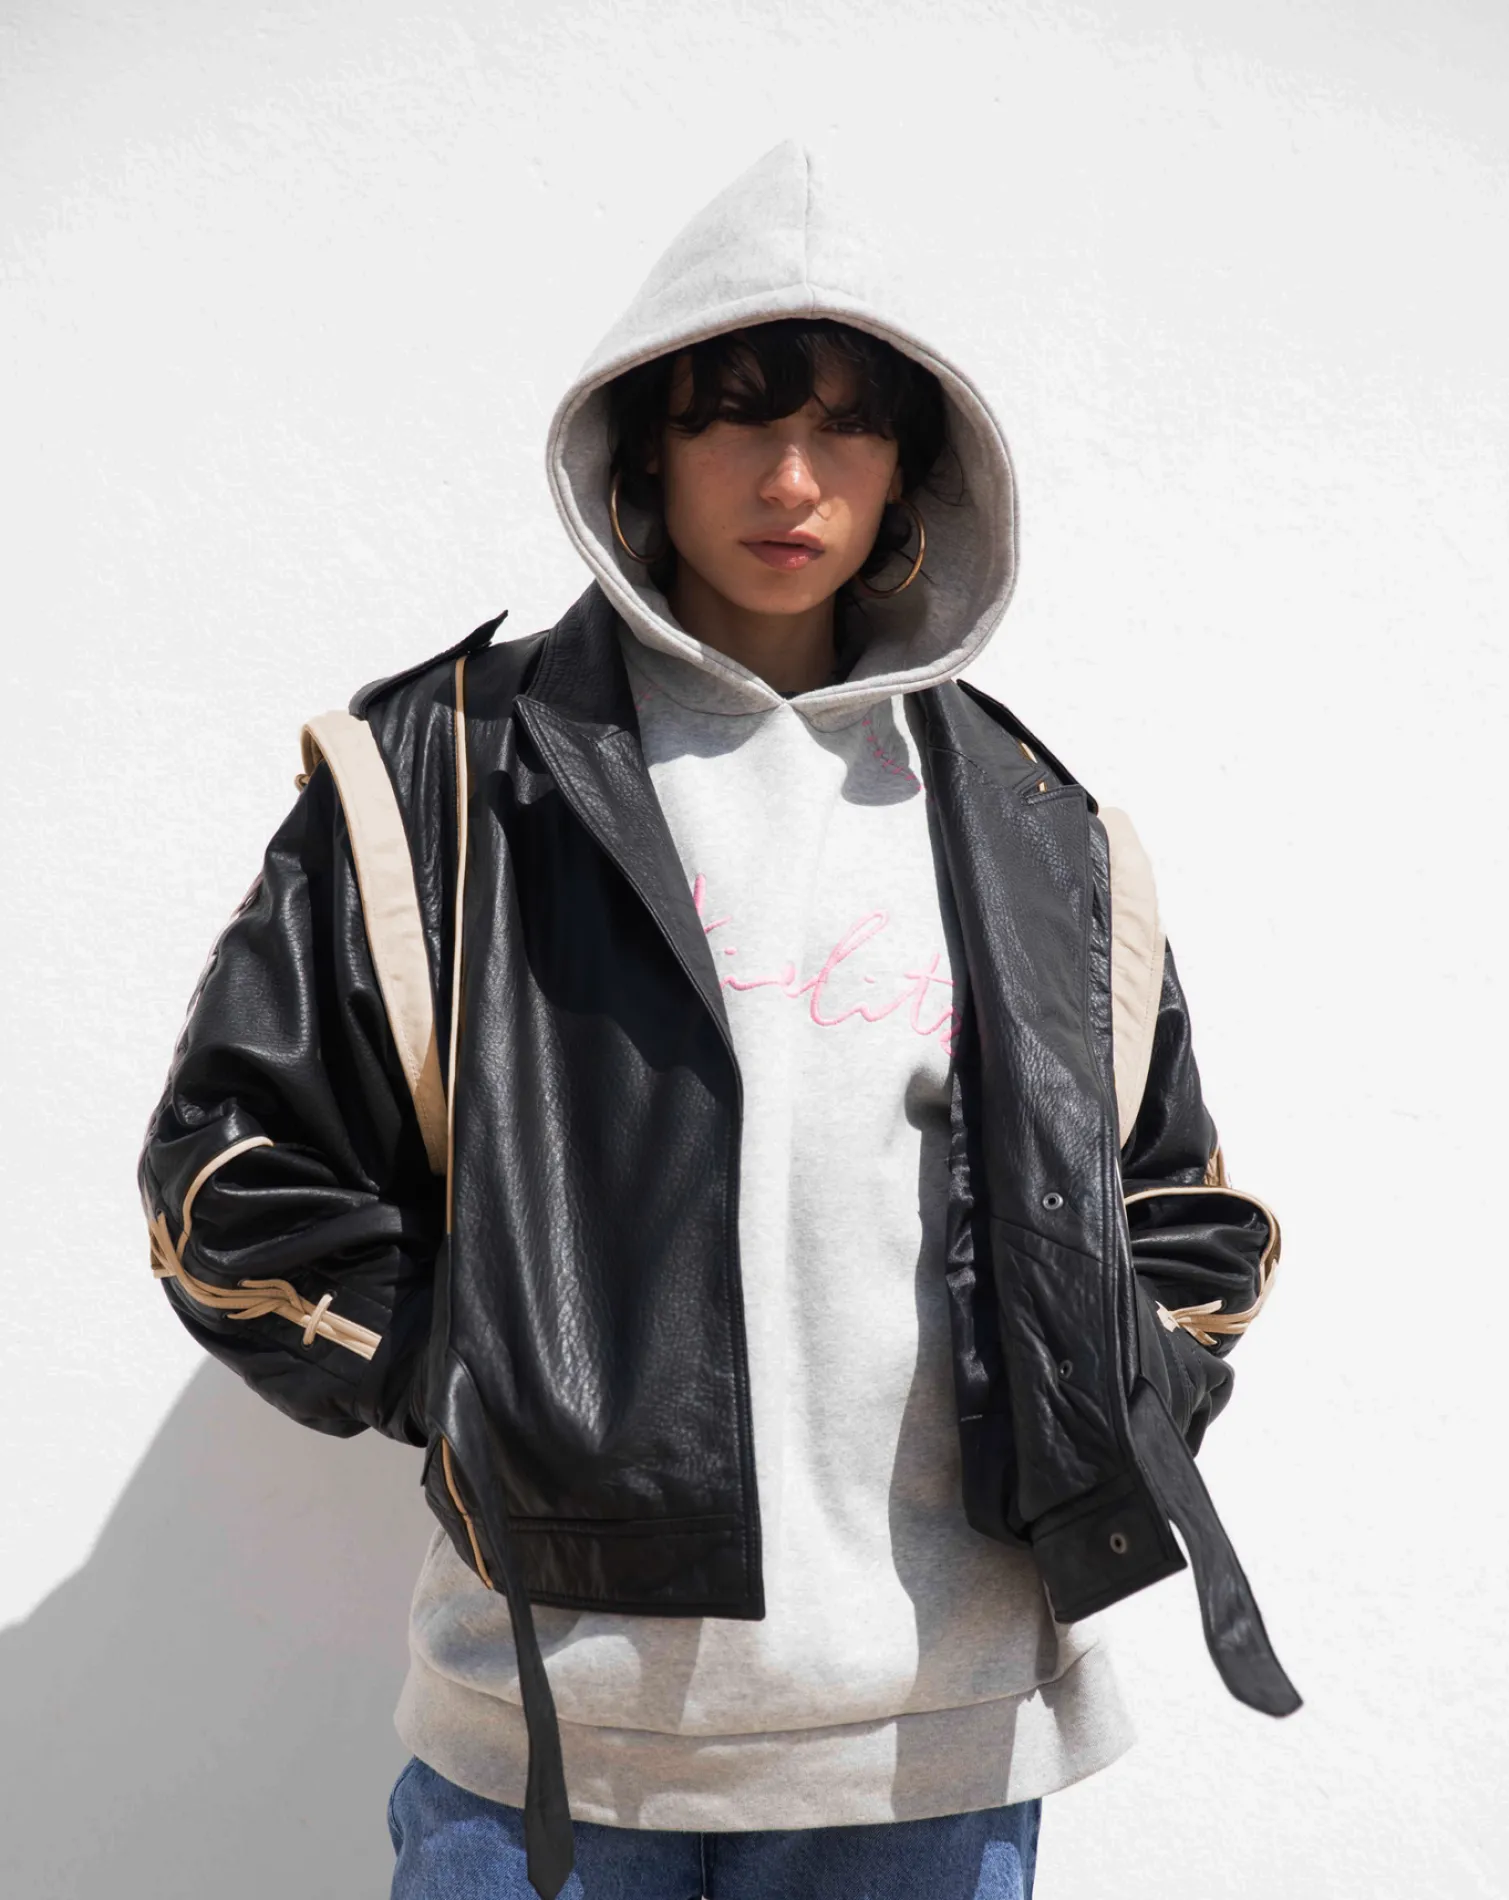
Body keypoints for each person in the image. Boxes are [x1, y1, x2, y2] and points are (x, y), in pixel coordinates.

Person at [137, 140, 1298, 1900]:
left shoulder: (1036, 831)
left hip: (939, 1760)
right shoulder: (448, 781)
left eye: (846, 428)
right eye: (733, 419)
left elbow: (1182, 1214)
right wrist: (479, 1380)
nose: (790, 477)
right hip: (546, 1754)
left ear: (912, 466)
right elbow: (230, 1182)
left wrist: (1105, 1404)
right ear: (643, 447)